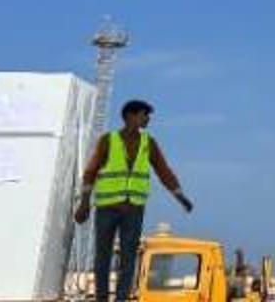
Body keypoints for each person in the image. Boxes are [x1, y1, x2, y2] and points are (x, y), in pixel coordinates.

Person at [75, 99, 193, 302]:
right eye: (144, 115)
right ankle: (101, 299)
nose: (148, 119)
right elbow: (90, 172)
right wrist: (84, 202)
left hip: (134, 210)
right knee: (102, 257)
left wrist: (180, 196)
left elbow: (163, 171)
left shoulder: (149, 143)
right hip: (107, 208)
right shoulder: (108, 140)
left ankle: (121, 299)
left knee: (128, 259)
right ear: (130, 116)